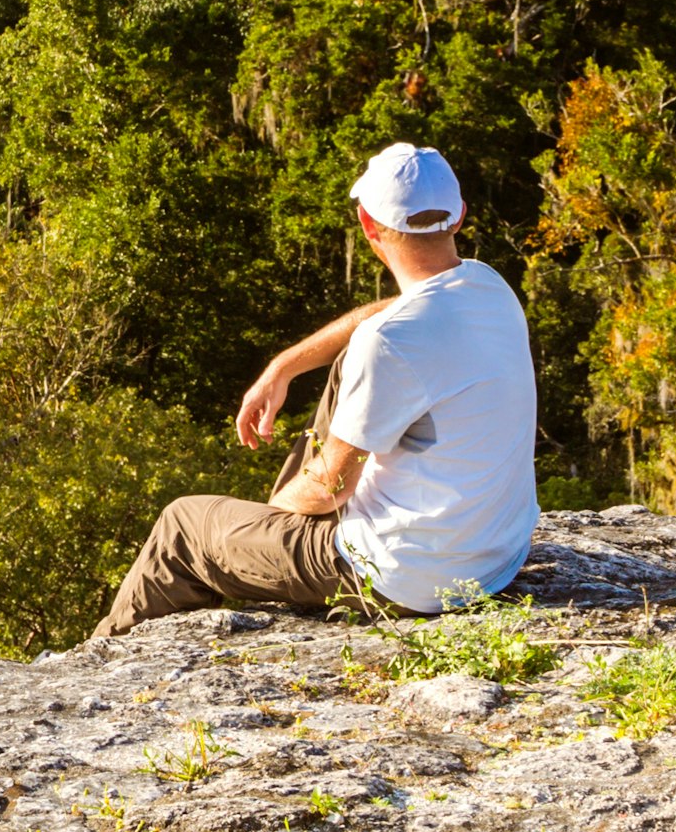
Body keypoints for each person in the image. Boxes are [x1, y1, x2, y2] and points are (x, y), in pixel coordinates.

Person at [91, 142, 538, 639]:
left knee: (184, 526)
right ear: (458, 219)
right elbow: (395, 314)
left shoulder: (389, 343)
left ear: (368, 225)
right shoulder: (488, 286)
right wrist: (285, 365)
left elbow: (331, 488)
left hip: (406, 580)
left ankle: (101, 655)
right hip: (493, 560)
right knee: (349, 361)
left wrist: (272, 520)